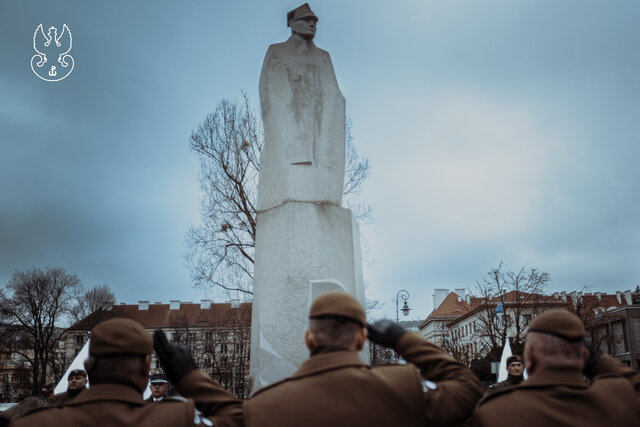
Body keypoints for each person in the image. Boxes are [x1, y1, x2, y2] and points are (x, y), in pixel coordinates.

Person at [153, 292, 483, 426]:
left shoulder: (264, 407)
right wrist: (403, 339)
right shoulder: (404, 387)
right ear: (363, 337)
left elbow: (234, 418)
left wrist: (189, 377)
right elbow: (467, 387)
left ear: (309, 338)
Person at [12, 318, 239, 426]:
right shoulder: (174, 420)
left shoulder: (32, 424)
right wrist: (190, 377)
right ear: (145, 368)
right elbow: (240, 419)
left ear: (88, 369)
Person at [472, 309, 640, 426]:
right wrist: (597, 360)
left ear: (528, 358)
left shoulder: (494, 411)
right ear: (584, 356)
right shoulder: (618, 399)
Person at [257, 2, 346, 211]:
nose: (312, 23)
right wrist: (290, 136)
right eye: (307, 19)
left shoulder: (324, 57)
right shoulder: (277, 51)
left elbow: (334, 94)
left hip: (322, 132)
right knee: (296, 183)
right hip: (294, 135)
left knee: (322, 183)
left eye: (314, 20)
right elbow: (273, 96)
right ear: (292, 24)